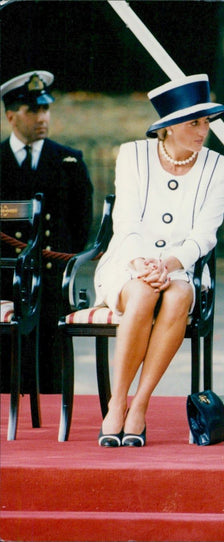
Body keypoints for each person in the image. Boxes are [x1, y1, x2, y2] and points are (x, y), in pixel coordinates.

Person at [95, 74, 224, 447]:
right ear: (170, 127)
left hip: (179, 267)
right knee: (141, 295)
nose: (204, 130)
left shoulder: (220, 167)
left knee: (176, 297)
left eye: (206, 122)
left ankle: (140, 406)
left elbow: (205, 234)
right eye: (195, 123)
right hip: (127, 263)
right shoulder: (132, 155)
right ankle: (117, 403)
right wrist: (141, 263)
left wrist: (169, 265)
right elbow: (125, 222)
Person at [0, 70, 93, 395]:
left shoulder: (68, 161)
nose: (42, 117)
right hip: (5, 282)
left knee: (51, 371)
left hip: (51, 282)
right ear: (12, 116)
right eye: (32, 110)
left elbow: (81, 225)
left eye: (45, 109)